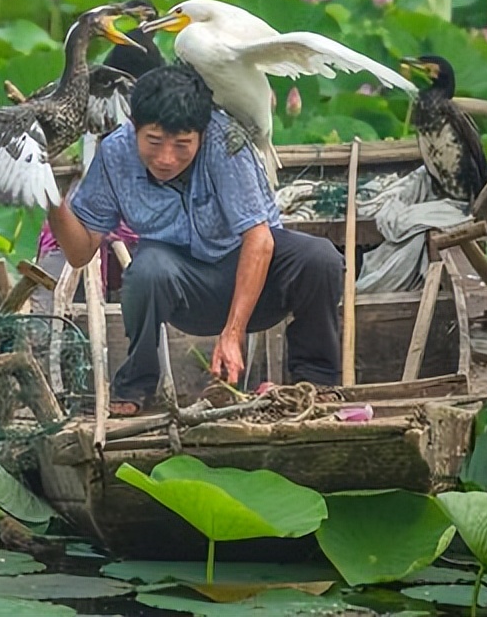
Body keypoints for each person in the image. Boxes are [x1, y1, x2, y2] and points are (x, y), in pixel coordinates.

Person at [45, 63, 344, 415]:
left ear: (201, 134)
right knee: (146, 268)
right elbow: (81, 254)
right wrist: (47, 194)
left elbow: (260, 241)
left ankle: (317, 379)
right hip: (182, 288)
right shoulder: (115, 153)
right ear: (135, 127)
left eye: (182, 145)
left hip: (254, 282)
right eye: (153, 142)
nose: (166, 158)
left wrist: (233, 333)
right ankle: (134, 386)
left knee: (320, 257)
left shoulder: (226, 141)